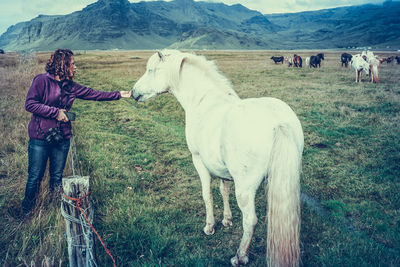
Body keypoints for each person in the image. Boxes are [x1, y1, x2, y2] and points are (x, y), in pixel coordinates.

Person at [22, 49, 131, 216]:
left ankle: (56, 211)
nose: (75, 67)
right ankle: (27, 212)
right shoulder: (41, 81)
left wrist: (118, 95)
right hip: (40, 138)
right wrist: (56, 112)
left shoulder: (70, 86)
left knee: (57, 178)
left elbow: (94, 94)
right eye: (72, 63)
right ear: (63, 65)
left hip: (62, 138)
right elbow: (30, 104)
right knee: (35, 177)